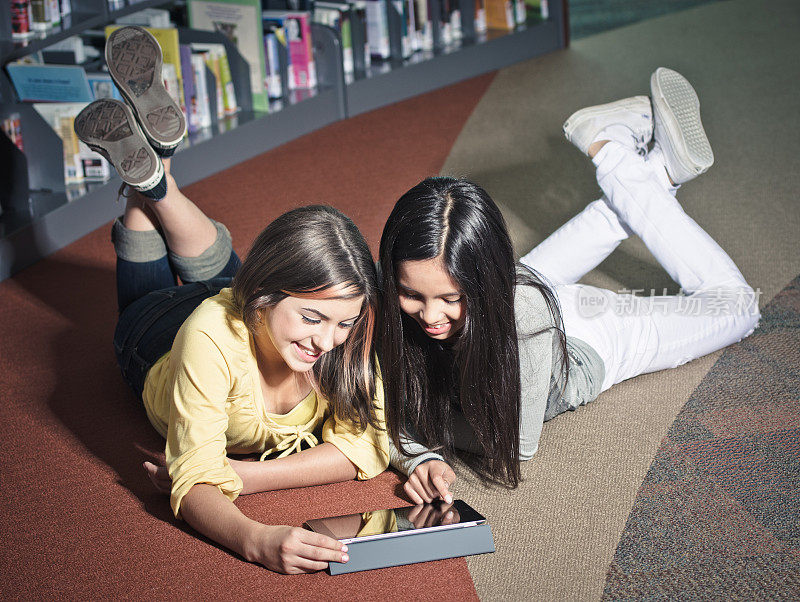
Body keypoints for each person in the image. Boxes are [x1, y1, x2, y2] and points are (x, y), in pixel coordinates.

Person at [75, 26, 388, 574]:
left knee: (223, 273)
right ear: (262, 299)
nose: (327, 341)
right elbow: (193, 477)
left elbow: (367, 449)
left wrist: (244, 477)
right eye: (314, 317)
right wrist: (257, 540)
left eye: (343, 322)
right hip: (158, 335)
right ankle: (154, 179)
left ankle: (154, 176)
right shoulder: (209, 334)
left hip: (240, 302)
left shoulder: (341, 325)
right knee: (153, 306)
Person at [378, 68, 761, 505]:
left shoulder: (523, 317)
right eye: (412, 295)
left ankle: (614, 154)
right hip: (523, 297)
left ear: (483, 283)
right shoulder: (412, 279)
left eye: (451, 299)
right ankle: (655, 171)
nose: (429, 317)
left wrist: (410, 429)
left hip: (590, 336)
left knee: (740, 307)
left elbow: (511, 444)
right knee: (520, 290)